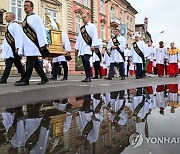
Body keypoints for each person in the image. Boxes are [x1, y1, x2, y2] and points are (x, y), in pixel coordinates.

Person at [15, 0, 49, 86]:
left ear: (32, 7)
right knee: (35, 64)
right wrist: (20, 46)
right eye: (24, 6)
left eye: (27, 5)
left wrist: (43, 43)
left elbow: (41, 31)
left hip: (34, 45)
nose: (25, 7)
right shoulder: (25, 19)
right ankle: (44, 78)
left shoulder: (36, 18)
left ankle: (25, 80)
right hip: (28, 45)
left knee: (29, 63)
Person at [0, 12, 25, 84]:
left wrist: (17, 48)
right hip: (9, 49)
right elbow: (6, 39)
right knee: (18, 64)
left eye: (7, 16)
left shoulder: (15, 25)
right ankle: (24, 77)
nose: (5, 17)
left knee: (8, 63)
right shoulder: (8, 26)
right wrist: (2, 47)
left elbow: (18, 37)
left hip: (13, 49)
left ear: (12, 17)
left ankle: (4, 79)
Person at [74, 13, 99, 83]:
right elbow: (79, 38)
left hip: (88, 47)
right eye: (82, 18)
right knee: (84, 62)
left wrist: (94, 45)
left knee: (86, 60)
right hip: (82, 48)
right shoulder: (82, 28)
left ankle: (89, 76)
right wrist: (77, 47)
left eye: (84, 17)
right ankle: (87, 76)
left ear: (89, 18)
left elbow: (94, 35)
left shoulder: (92, 26)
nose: (83, 19)